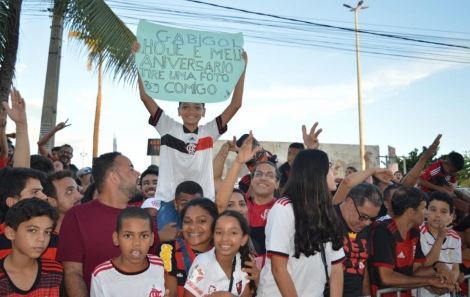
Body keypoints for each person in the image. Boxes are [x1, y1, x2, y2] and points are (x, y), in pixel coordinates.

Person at [132, 41, 248, 232]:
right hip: (169, 202)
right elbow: (145, 98)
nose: (191, 111)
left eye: (197, 107)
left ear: (204, 111)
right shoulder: (167, 126)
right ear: (178, 111)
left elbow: (236, 105)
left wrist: (242, 70)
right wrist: (139, 62)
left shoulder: (209, 132)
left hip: (204, 204)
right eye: (185, 107)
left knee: (200, 252)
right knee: (170, 253)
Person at [56, 152, 161, 295]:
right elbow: (73, 273)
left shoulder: (143, 217)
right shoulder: (76, 216)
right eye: (131, 169)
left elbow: (156, 266)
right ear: (114, 177)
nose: (137, 173)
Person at [258, 149, 345, 297]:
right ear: (316, 172)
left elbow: (336, 268)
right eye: (329, 167)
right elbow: (279, 269)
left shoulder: (327, 212)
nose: (334, 172)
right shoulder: (283, 208)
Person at [370, 186, 457, 297]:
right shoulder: (383, 230)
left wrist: (438, 267)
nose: (426, 212)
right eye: (424, 208)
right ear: (410, 212)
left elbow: (415, 271)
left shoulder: (414, 231)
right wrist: (429, 281)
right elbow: (386, 278)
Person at [90, 207, 169, 297]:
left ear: (152, 239)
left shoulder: (160, 265)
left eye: (144, 236)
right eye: (128, 235)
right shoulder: (101, 275)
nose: (136, 243)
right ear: (116, 238)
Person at [0, 197, 66, 296]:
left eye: (47, 232)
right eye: (32, 230)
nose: (42, 238)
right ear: (10, 233)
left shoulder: (55, 272)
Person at [333, 177, 385, 296]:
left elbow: (362, 263)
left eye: (372, 218)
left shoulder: (365, 225)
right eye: (363, 216)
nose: (367, 223)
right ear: (350, 203)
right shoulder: (328, 221)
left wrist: (366, 295)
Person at [184, 211, 253, 297]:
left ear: (243, 239)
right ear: (213, 236)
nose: (225, 238)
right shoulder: (203, 263)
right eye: (219, 232)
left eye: (233, 233)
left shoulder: (242, 261)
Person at [158, 198, 218, 297]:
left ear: (215, 224)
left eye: (201, 221)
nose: (193, 227)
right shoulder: (169, 250)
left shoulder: (222, 253)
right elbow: (171, 294)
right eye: (187, 221)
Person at [417, 191, 461, 297]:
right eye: (433, 210)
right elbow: (425, 263)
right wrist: (440, 237)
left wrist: (447, 283)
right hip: (421, 291)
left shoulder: (455, 238)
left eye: (443, 211)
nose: (437, 215)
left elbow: (455, 269)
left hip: (444, 292)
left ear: (451, 216)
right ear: (426, 211)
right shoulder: (418, 232)